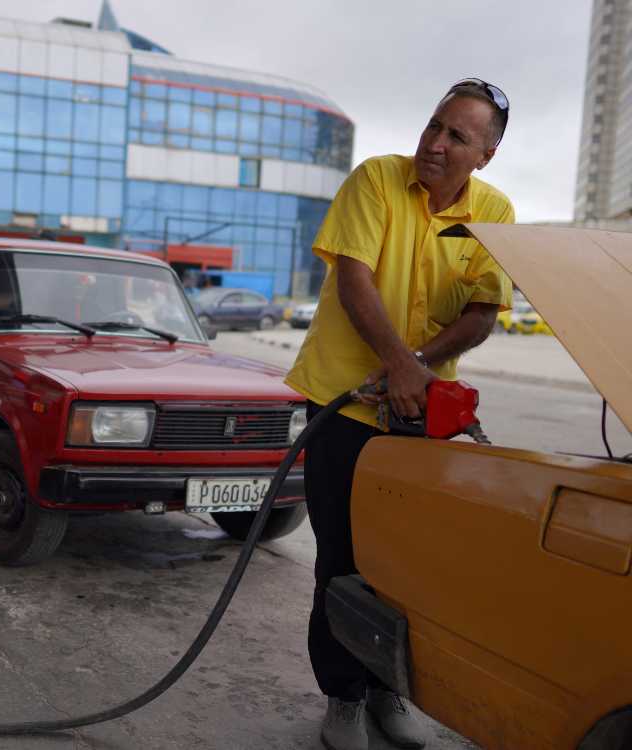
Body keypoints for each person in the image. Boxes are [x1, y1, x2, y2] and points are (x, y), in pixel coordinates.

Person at [284, 79, 513, 750]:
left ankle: (390, 690)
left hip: (418, 413)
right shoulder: (376, 181)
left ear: (486, 156)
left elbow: (481, 313)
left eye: (457, 137)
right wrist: (398, 360)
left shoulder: (495, 210)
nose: (436, 144)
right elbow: (353, 279)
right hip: (342, 403)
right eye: (434, 126)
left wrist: (416, 363)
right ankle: (343, 700)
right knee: (344, 559)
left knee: (409, 567)